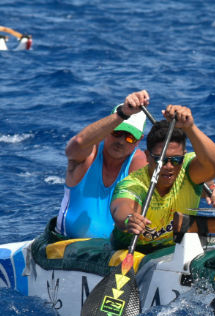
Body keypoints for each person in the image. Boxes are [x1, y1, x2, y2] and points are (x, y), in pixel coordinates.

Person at [110, 105, 215, 252]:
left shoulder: (188, 169)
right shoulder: (134, 184)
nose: (169, 166)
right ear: (147, 156)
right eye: (160, 159)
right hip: (132, 251)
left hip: (174, 251)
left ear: (184, 155)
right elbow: (120, 207)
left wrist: (190, 128)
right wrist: (129, 219)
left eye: (176, 160)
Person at [55, 90, 150, 239]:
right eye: (117, 133)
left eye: (130, 137)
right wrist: (122, 114)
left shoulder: (141, 163)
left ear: (139, 140)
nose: (121, 141)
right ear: (107, 130)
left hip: (113, 253)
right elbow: (78, 143)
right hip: (65, 244)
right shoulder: (87, 156)